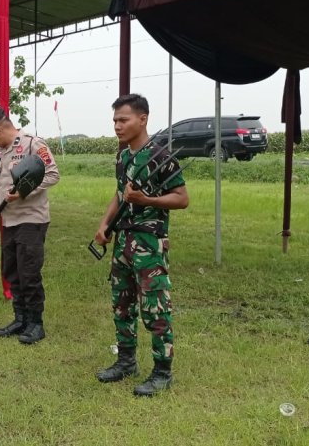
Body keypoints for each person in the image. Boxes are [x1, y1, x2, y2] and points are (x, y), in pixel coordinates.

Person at [94, 94, 189, 397]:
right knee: (122, 304)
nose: (117, 126)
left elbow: (182, 198)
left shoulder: (162, 156)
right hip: (123, 239)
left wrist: (146, 200)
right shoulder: (123, 157)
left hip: (149, 242)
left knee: (154, 307)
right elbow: (120, 195)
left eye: (123, 120)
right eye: (114, 121)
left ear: (143, 118)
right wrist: (104, 225)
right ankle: (126, 361)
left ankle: (163, 372)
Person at [0, 106, 60, 344]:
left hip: (32, 219)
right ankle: (20, 319)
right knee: (12, 271)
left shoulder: (32, 144)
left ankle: (36, 324)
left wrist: (24, 192)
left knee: (29, 272)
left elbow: (53, 174)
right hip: (10, 220)